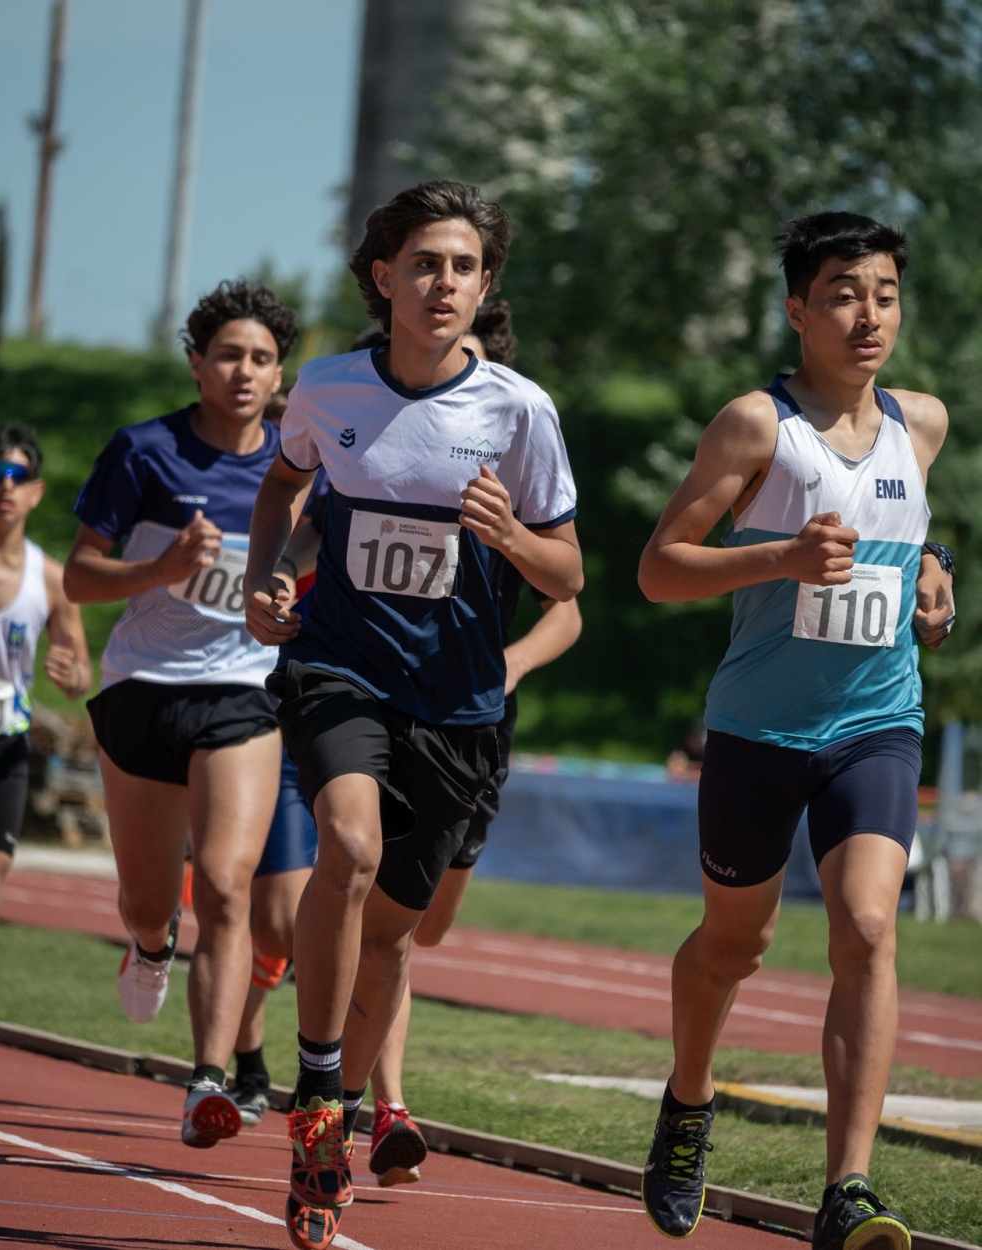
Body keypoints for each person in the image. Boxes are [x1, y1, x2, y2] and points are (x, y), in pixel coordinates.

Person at [243, 180, 583, 1250]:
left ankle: (342, 1078)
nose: (444, 283)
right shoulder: (330, 388)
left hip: (460, 700)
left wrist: (509, 537)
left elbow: (568, 573)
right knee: (344, 843)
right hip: (342, 667)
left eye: (465, 267)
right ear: (382, 276)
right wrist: (270, 574)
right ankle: (319, 1102)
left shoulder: (520, 410)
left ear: (487, 287)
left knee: (393, 932)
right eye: (425, 263)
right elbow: (284, 490)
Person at [636, 211, 953, 1250]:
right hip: (759, 732)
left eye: (884, 293)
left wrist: (933, 574)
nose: (868, 315)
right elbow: (659, 566)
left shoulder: (924, 424)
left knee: (866, 927)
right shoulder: (756, 427)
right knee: (737, 943)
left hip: (875, 722)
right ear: (797, 309)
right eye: (843, 294)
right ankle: (688, 1102)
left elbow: (904, 530)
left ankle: (847, 1186)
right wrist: (774, 559)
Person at [63, 279, 299, 1148]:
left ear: (281, 376)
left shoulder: (294, 465)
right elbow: (80, 577)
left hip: (241, 693)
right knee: (148, 898)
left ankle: (209, 1078)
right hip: (141, 690)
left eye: (263, 359)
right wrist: (159, 572)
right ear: (198, 364)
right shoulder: (144, 453)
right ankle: (149, 944)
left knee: (228, 886)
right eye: (229, 355)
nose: (244, 372)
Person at [364, 297, 583, 1187]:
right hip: (373, 696)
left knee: (422, 924)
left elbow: (568, 602)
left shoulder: (521, 442)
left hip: (474, 713)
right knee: (372, 904)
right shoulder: (377, 436)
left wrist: (514, 662)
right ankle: (382, 1104)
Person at [0, 425, 91, 974]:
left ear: (35, 490)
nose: (5, 485)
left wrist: (69, 672)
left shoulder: (48, 577)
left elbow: (80, 677)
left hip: (2, 752)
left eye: (17, 475)